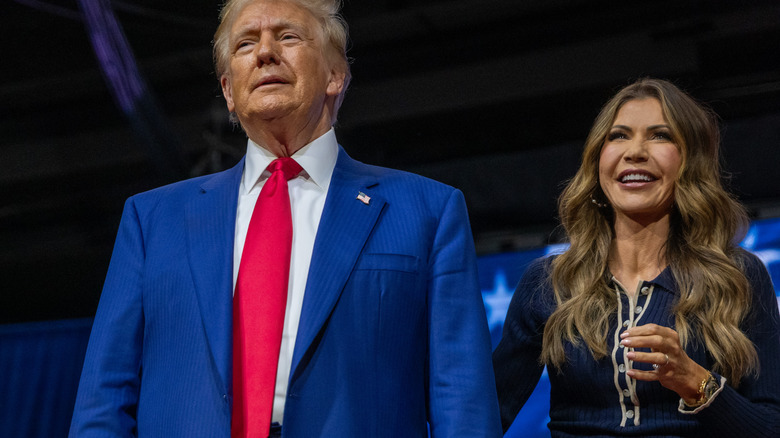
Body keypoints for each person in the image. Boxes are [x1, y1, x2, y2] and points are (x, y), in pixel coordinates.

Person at [68, 0, 502, 436]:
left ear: (336, 75)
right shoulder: (151, 220)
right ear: (228, 92)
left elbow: (462, 401)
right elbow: (103, 399)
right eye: (245, 43)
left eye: (288, 36)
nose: (265, 53)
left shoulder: (427, 210)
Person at [493, 78, 780, 437]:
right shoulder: (550, 281)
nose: (635, 151)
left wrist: (695, 382)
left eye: (660, 135)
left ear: (691, 161)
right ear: (598, 158)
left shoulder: (738, 275)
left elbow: (771, 427)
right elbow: (483, 417)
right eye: (618, 135)